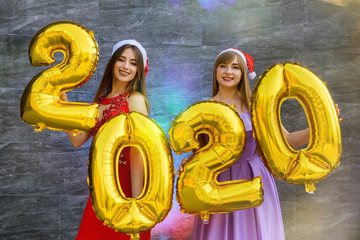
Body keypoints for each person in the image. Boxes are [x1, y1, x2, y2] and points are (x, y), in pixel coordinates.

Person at [178, 48, 341, 240]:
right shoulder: (202, 108)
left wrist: (322, 125)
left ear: (244, 74)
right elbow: (199, 151)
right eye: (223, 66)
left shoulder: (256, 107)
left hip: (253, 178)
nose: (228, 71)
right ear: (216, 71)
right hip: (217, 183)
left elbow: (287, 139)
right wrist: (187, 164)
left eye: (235, 67)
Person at [61, 40, 151, 240]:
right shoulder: (100, 100)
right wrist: (63, 107)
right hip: (101, 188)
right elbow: (77, 140)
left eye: (133, 63)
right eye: (121, 60)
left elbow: (139, 152)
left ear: (139, 70)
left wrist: (135, 202)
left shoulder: (134, 100)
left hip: (126, 187)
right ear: (113, 63)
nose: (126, 66)